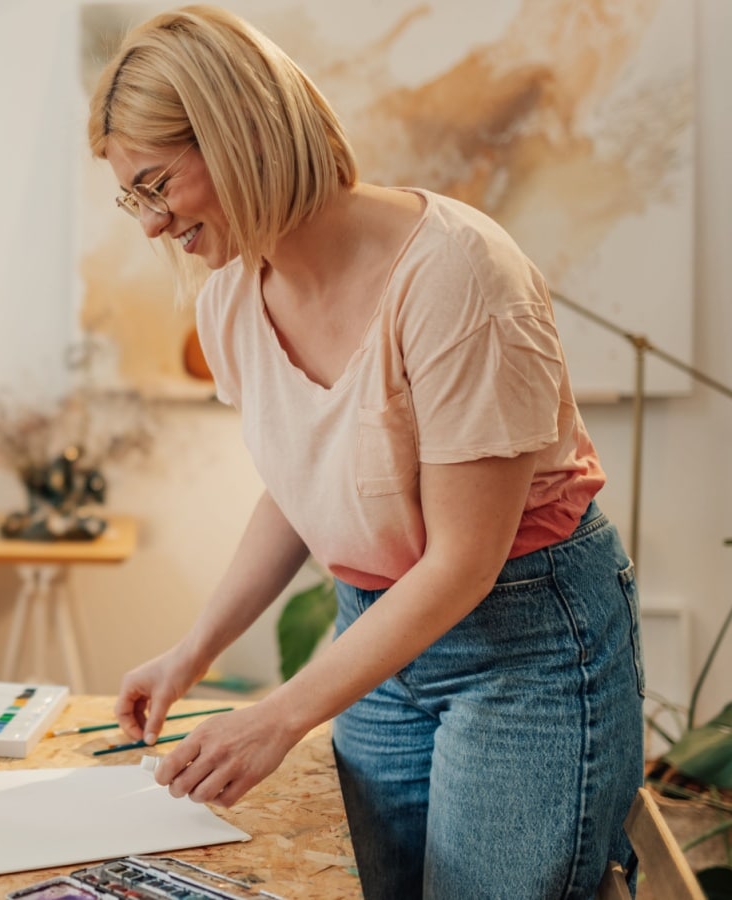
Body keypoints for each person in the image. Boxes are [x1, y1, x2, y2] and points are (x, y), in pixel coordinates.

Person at [88, 7, 641, 899]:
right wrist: (193, 650)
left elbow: (463, 560)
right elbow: (301, 486)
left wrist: (280, 716)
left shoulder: (457, 274)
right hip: (378, 629)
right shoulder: (230, 297)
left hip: (524, 637)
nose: (151, 226)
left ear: (237, 133)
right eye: (133, 199)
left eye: (157, 185)